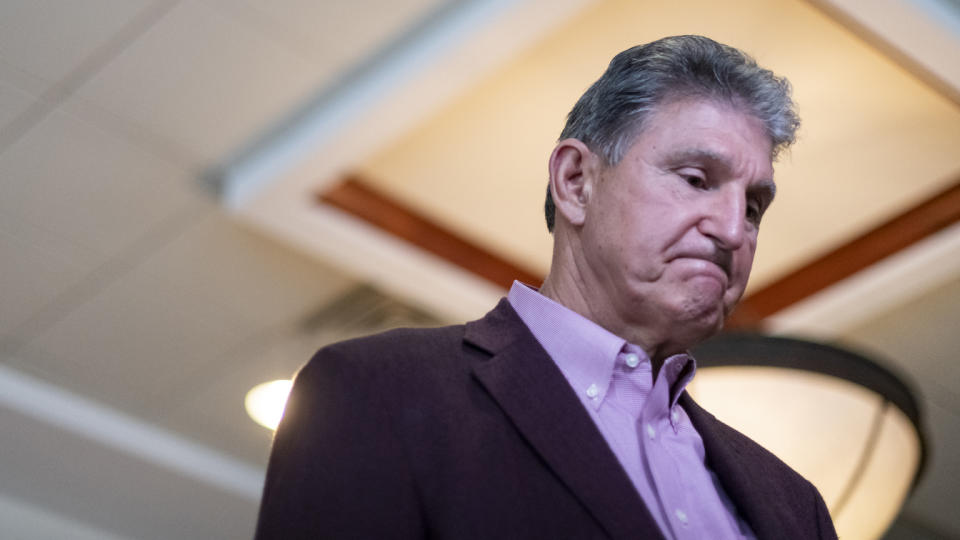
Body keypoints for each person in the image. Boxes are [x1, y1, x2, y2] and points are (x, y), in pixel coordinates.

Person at [254, 35, 837, 540]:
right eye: (695, 179)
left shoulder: (797, 506)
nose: (734, 230)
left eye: (755, 207)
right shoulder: (375, 389)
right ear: (576, 182)